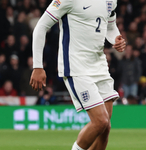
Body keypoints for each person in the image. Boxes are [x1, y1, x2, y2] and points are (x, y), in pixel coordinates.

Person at [30, 1, 126, 150]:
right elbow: (41, 27)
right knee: (100, 121)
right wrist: (37, 66)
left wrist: (116, 38)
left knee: (105, 127)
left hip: (99, 65)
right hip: (76, 66)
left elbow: (110, 25)